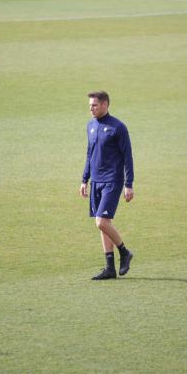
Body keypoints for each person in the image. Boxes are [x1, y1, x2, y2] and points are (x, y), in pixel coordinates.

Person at [79, 91, 134, 280]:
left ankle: (124, 252)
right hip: (96, 181)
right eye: (89, 106)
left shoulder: (118, 127)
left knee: (101, 222)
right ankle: (110, 268)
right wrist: (84, 179)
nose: (91, 109)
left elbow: (128, 156)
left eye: (94, 105)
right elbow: (89, 154)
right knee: (104, 224)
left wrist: (129, 184)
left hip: (112, 181)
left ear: (105, 105)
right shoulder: (90, 126)